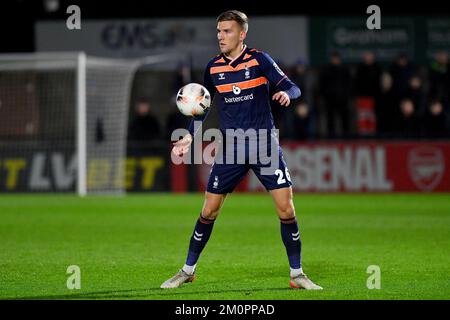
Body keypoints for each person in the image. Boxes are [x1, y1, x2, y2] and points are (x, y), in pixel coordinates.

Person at [161, 10, 322, 290]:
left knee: (286, 210)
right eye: (219, 31)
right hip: (231, 148)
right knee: (209, 211)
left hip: (264, 146)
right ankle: (187, 270)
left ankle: (297, 274)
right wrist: (188, 137)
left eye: (227, 31)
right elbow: (202, 108)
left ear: (242, 34)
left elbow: (292, 87)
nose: (221, 36)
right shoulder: (212, 68)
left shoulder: (260, 60)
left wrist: (286, 94)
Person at [319, 51, 352, 139]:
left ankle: (346, 137)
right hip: (330, 99)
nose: (335, 60)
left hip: (343, 99)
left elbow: (349, 84)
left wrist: (346, 96)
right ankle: (331, 137)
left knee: (345, 119)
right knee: (330, 119)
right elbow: (322, 85)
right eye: (334, 58)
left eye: (337, 58)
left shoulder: (345, 69)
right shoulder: (326, 69)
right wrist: (325, 95)